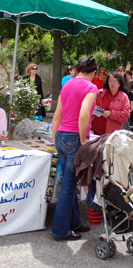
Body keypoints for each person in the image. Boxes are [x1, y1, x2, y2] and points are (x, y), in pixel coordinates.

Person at [51, 56, 99, 241]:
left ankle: (74, 223)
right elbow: (83, 115)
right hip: (74, 137)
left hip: (61, 136)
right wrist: (83, 139)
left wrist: (55, 138)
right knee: (69, 186)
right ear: (93, 73)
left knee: (70, 184)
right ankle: (60, 230)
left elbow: (56, 116)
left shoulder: (67, 85)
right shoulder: (91, 87)